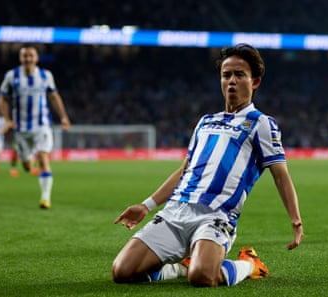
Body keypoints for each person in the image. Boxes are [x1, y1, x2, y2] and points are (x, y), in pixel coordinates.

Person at [112, 44, 304, 287]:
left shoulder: (261, 124)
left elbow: (280, 175)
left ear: (254, 82)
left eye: (239, 75)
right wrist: (146, 205)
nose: (231, 81)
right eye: (226, 75)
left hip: (216, 216)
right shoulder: (205, 122)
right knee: (122, 272)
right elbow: (184, 171)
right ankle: (178, 268)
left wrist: (295, 220)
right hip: (175, 212)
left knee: (202, 276)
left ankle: (249, 264)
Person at [0, 44, 71, 209]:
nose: (28, 59)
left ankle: (45, 198)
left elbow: (54, 96)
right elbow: (2, 98)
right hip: (21, 129)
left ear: (37, 58)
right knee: (27, 166)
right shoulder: (11, 76)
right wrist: (7, 119)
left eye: (31, 55)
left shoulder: (45, 75)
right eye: (25, 56)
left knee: (44, 158)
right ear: (20, 58)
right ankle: (30, 158)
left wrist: (64, 117)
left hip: (42, 126)